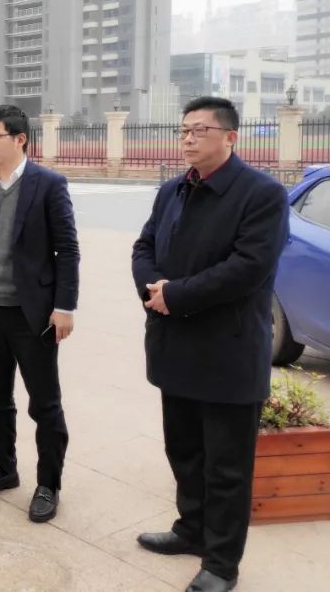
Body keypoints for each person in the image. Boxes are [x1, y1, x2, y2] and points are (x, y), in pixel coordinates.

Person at [131, 96, 288, 592]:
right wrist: (153, 290)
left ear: (230, 137)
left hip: (228, 353)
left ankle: (221, 564)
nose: (188, 138)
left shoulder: (261, 194)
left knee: (227, 468)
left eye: (200, 130)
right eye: (184, 130)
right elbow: (143, 246)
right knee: (185, 452)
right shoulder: (172, 190)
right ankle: (191, 529)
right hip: (175, 345)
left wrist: (175, 295)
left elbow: (248, 267)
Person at [0, 104, 79, 523]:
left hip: (34, 316)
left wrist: (64, 306)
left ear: (20, 139)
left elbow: (67, 250)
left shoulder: (49, 184)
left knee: (45, 404)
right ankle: (5, 469)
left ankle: (49, 484)